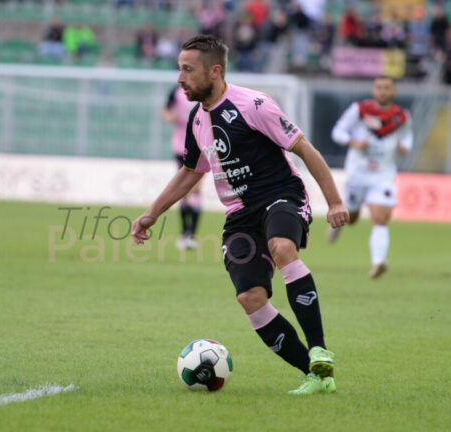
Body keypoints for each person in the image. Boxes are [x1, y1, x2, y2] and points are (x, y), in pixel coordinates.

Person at [131, 35, 348, 395]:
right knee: (250, 298)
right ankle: (316, 374)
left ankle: (319, 348)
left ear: (214, 71)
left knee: (282, 246)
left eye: (188, 70)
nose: (180, 78)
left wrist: (335, 202)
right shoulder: (196, 119)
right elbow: (190, 171)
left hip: (281, 195)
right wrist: (152, 213)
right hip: (240, 215)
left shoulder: (254, 105)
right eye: (179, 69)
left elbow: (305, 149)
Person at [330, 76, 413, 278]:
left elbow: (407, 137)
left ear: (393, 91)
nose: (382, 91)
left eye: (387, 87)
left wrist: (404, 147)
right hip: (357, 173)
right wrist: (354, 143)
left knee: (380, 218)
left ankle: (378, 262)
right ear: (373, 90)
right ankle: (338, 226)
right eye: (379, 87)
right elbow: (337, 131)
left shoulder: (401, 116)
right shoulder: (359, 110)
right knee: (351, 218)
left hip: (382, 175)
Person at [162, 84, 200, 250]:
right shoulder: (176, 91)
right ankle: (185, 232)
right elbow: (166, 112)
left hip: (201, 145)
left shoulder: (202, 89)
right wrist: (171, 117)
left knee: (196, 188)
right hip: (180, 145)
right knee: (183, 189)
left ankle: (192, 234)